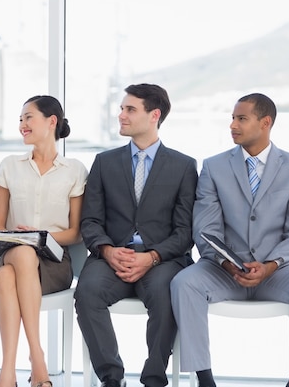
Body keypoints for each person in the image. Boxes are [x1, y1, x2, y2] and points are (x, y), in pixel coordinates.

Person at [170, 93, 289, 387]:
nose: (233, 125)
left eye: (241, 118)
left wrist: (270, 265)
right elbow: (205, 228)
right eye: (232, 118)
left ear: (265, 122)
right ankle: (205, 380)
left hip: (279, 271)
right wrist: (228, 264)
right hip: (224, 272)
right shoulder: (214, 167)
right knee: (184, 282)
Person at [75, 83, 198, 387]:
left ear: (154, 115)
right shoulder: (104, 162)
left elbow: (186, 232)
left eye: (130, 109)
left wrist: (152, 257)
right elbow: (90, 220)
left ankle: (154, 378)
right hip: (111, 257)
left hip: (163, 260)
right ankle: (111, 378)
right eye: (121, 108)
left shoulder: (184, 166)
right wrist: (107, 251)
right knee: (86, 292)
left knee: (167, 292)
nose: (121, 115)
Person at [0, 95, 88, 387]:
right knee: (21, 254)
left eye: (28, 117)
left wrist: (38, 237)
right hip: (12, 250)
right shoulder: (9, 166)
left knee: (8, 275)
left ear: (51, 121)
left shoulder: (75, 171)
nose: (22, 125)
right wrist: (23, 240)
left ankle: (8, 373)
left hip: (55, 260)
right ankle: (37, 357)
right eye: (20, 119)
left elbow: (75, 233)